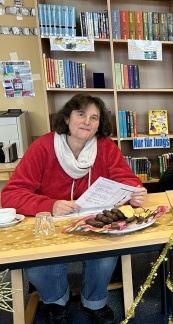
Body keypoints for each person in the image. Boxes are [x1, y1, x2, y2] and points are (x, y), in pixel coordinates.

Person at [1, 94, 147, 324]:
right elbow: (10, 195)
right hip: (53, 224)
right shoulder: (43, 147)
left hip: (93, 221)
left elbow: (126, 181)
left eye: (94, 117)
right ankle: (56, 302)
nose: (87, 122)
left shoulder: (105, 147)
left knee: (106, 251)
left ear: (100, 124)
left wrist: (135, 194)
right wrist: (50, 205)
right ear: (67, 118)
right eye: (81, 114)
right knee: (40, 265)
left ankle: (94, 302)